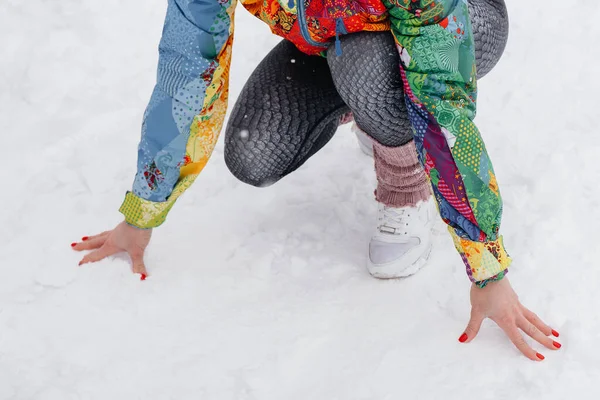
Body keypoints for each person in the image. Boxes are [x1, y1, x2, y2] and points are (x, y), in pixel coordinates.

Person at [71, 0, 562, 360]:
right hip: (336, 37)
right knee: (253, 155)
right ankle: (380, 110)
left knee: (374, 72)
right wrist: (145, 208)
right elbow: (187, 68)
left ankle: (400, 165)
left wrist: (486, 268)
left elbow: (442, 104)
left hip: (458, 21)